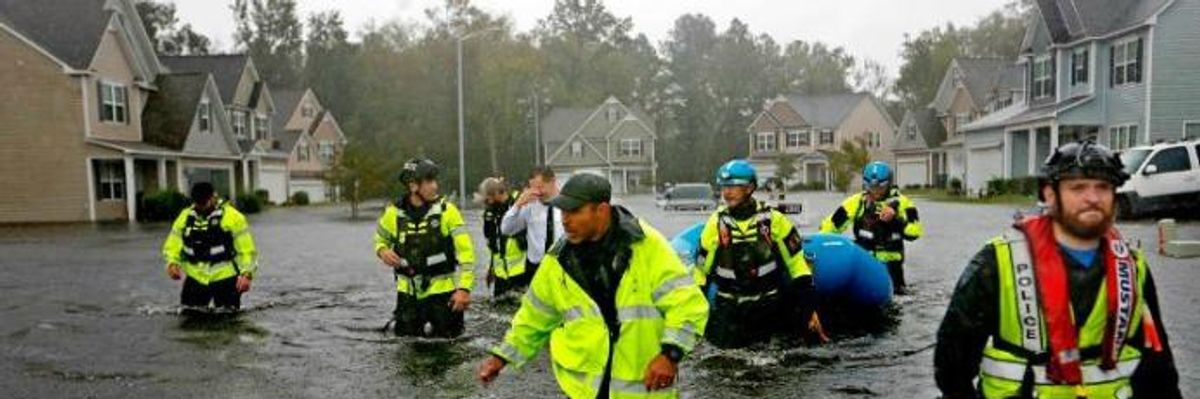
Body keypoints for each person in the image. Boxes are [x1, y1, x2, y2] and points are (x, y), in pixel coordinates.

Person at [934, 141, 1181, 398]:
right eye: (1078, 188)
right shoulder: (997, 262)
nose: (1093, 198)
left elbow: (1158, 366)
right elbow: (953, 366)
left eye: (1103, 187)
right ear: (1050, 195)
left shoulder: (1133, 266)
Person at [477, 173, 709, 398]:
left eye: (575, 211)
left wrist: (670, 355)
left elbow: (687, 304)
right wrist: (502, 357)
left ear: (602, 210)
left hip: (641, 386)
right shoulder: (559, 259)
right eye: (563, 211)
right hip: (584, 390)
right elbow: (534, 317)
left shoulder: (646, 246)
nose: (565, 219)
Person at [697, 159, 822, 348]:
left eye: (733, 186)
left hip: (768, 305)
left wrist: (808, 309)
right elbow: (701, 273)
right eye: (724, 187)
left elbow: (797, 266)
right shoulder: (715, 223)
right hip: (729, 308)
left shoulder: (774, 220)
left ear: (749, 188)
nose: (726, 192)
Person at [373, 158, 476, 337]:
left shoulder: (447, 211)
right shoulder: (393, 213)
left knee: (449, 351)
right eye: (429, 181)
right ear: (413, 186)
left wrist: (464, 289)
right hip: (408, 297)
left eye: (435, 180)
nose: (435, 186)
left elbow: (466, 253)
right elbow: (380, 239)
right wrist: (382, 250)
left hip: (444, 297)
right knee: (408, 350)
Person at [820, 161, 922, 294]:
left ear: (889, 183)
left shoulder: (904, 203)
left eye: (881, 187)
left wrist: (895, 220)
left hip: (892, 265)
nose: (876, 191)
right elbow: (831, 225)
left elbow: (914, 232)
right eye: (871, 187)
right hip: (865, 262)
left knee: (899, 294)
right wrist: (820, 242)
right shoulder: (856, 202)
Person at [161, 182, 258, 312]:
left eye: (204, 203)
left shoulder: (233, 217)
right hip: (195, 279)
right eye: (197, 204)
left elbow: (247, 250)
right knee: (189, 319)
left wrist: (246, 274)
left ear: (213, 197)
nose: (201, 207)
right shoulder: (185, 217)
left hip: (226, 279)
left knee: (229, 322)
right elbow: (172, 244)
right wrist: (172, 263)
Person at [500, 166, 564, 283]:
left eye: (540, 187)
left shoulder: (568, 204)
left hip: (562, 267)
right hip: (535, 268)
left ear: (553, 181)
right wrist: (517, 205)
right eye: (532, 188)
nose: (537, 192)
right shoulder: (529, 205)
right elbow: (506, 230)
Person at [478, 177, 529, 298]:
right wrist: (491, 268)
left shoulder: (519, 205)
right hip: (500, 275)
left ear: (496, 193)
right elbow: (493, 241)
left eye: (488, 197)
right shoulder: (490, 212)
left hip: (521, 272)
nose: (487, 201)